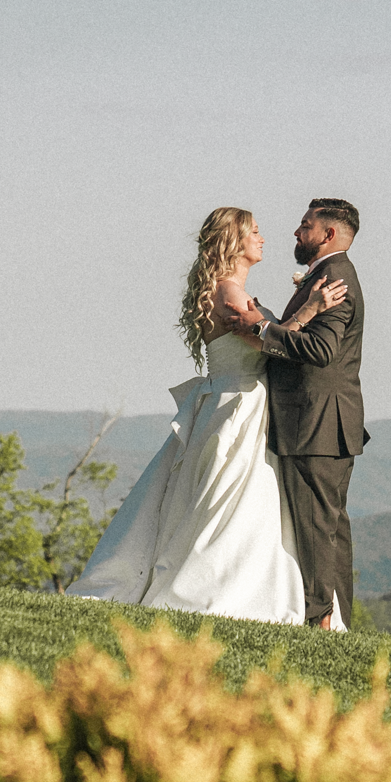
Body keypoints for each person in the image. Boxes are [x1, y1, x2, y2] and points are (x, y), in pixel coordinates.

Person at [69, 207, 346, 622]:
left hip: (241, 401)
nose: (263, 238)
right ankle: (215, 588)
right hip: (237, 406)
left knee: (236, 504)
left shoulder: (230, 291)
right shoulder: (230, 294)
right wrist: (311, 309)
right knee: (224, 504)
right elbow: (266, 344)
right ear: (234, 242)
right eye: (254, 232)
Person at [227, 198, 368, 632]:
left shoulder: (336, 279)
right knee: (328, 528)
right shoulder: (327, 276)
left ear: (327, 235)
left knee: (315, 526)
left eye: (304, 226)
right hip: (324, 422)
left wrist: (263, 329)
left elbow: (321, 352)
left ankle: (319, 618)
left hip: (316, 422)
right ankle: (335, 619)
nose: (295, 232)